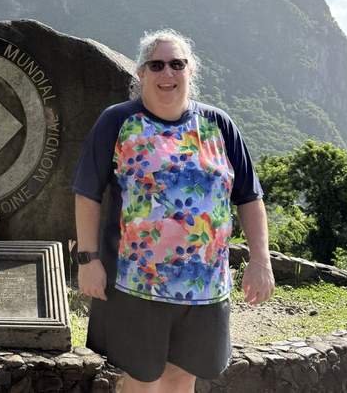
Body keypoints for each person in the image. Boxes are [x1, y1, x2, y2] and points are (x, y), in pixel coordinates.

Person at [73, 29, 274, 393]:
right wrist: (88, 259)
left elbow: (249, 197)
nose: (168, 73)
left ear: (190, 71)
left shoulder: (219, 125)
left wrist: (261, 261)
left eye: (177, 64)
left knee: (183, 379)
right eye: (157, 65)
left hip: (205, 287)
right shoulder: (119, 122)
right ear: (141, 73)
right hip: (137, 285)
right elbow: (87, 192)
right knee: (142, 381)